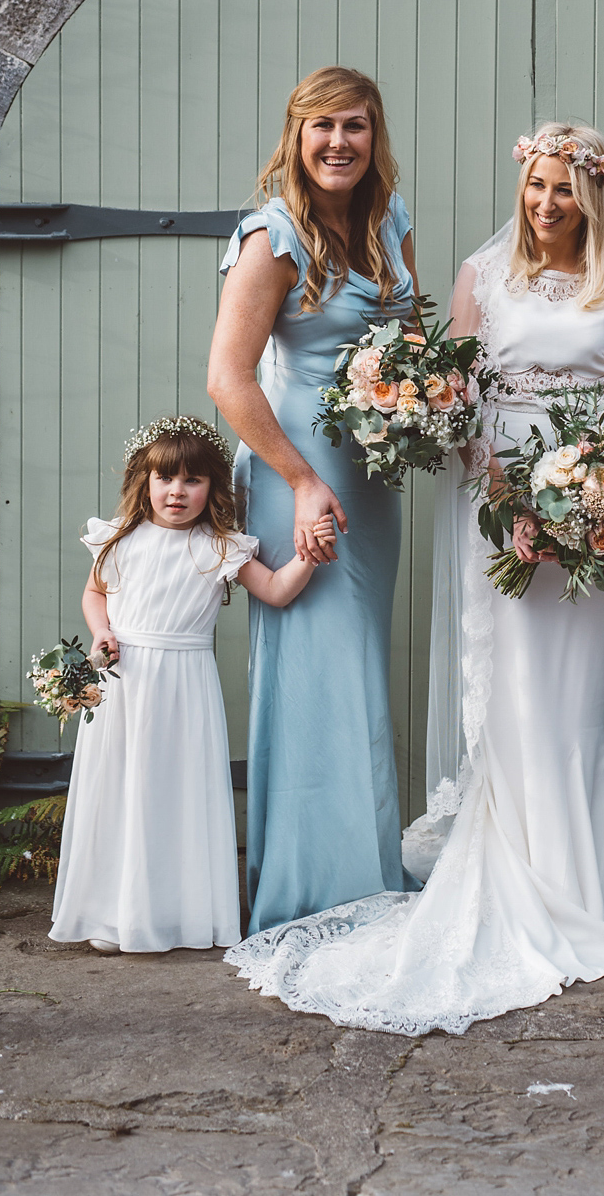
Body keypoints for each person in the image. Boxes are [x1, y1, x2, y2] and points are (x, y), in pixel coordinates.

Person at [226, 124, 604, 1034]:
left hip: (588, 497)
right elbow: (456, 394)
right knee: (502, 680)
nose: (548, 204)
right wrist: (511, 493)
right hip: (496, 494)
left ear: (594, 200)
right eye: (538, 186)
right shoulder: (478, 274)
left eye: (566, 192)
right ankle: (509, 864)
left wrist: (589, 488)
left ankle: (579, 878)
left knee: (574, 691)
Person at [207, 66, 419, 934]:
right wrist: (299, 482)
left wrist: (426, 400)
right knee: (313, 672)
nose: (339, 142)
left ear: (376, 137)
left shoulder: (390, 222)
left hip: (371, 477)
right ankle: (311, 886)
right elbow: (226, 377)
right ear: (295, 136)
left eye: (357, 126)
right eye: (321, 126)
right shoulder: (273, 237)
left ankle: (366, 870)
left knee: (360, 666)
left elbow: (411, 339)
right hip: (300, 473)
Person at [50, 415, 329, 955]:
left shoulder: (221, 546)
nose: (177, 491)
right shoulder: (120, 539)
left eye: (193, 480)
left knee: (173, 792)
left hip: (184, 686)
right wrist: (102, 632)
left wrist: (307, 555)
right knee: (121, 788)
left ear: (213, 487)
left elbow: (275, 591)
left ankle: (176, 913)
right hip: (125, 679)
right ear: (145, 481)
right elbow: (94, 593)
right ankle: (113, 912)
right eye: (165, 479)